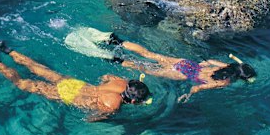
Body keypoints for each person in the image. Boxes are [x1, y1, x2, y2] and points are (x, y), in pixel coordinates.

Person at [0, 41, 152, 121]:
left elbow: (106, 76)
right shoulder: (114, 106)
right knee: (23, 84)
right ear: (134, 101)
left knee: (38, 68)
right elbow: (91, 119)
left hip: (76, 84)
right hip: (68, 95)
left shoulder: (121, 81)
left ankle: (5, 49)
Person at [107, 34, 257, 103]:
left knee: (150, 54)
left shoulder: (226, 65)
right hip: (183, 73)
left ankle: (117, 41)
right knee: (148, 69)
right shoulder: (225, 82)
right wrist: (189, 94)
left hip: (188, 64)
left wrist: (203, 66)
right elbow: (198, 88)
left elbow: (208, 61)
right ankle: (116, 60)